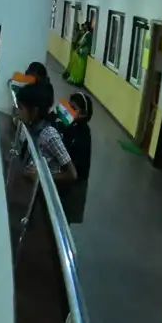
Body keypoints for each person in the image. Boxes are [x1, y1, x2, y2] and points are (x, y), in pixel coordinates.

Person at [15, 82, 77, 184]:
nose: (17, 111)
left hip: (43, 192)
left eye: (20, 108)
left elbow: (72, 174)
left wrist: (42, 177)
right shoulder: (32, 126)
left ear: (34, 111)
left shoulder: (50, 134)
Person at [60, 92, 93, 224]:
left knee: (64, 217)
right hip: (64, 177)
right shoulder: (69, 124)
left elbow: (77, 172)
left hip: (74, 184)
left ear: (84, 114)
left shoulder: (83, 136)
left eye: (74, 108)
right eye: (68, 105)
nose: (68, 110)